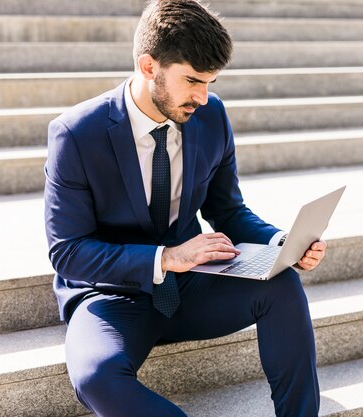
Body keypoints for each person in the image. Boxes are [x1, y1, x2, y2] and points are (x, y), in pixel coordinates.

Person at [44, 1, 326, 415]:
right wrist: (168, 257)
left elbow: (228, 211)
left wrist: (284, 243)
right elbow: (68, 252)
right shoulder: (76, 134)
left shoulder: (211, 117)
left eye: (210, 82)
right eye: (193, 81)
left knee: (281, 285)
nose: (204, 97)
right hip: (113, 295)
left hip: (193, 285)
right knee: (96, 377)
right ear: (148, 66)